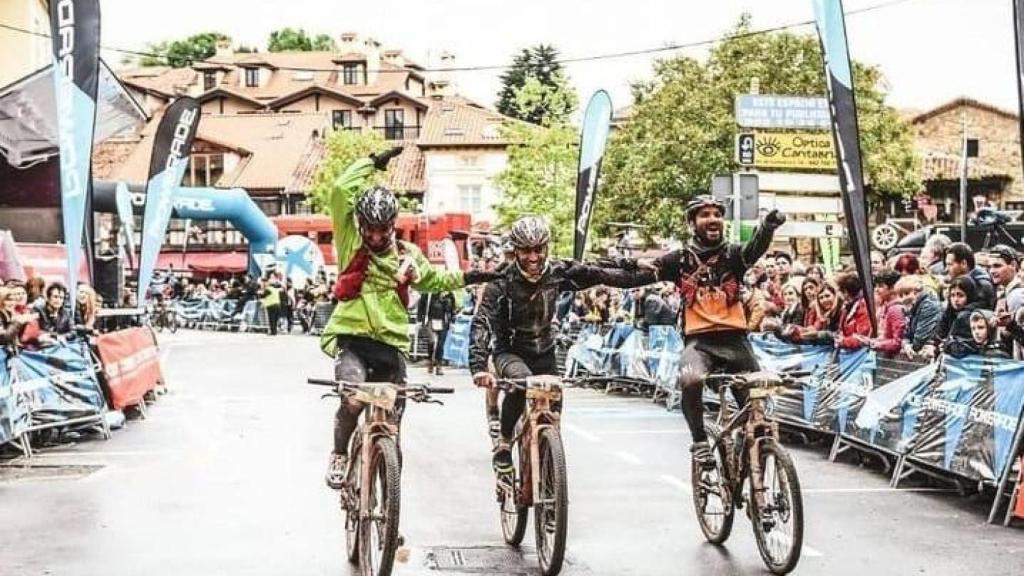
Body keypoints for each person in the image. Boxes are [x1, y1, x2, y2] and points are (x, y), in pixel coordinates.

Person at [320, 148, 497, 489]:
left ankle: (388, 507)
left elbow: (437, 281)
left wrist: (474, 276)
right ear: (360, 225)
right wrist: (371, 162)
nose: (374, 237)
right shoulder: (349, 243)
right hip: (353, 340)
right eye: (368, 230)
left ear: (392, 226)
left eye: (381, 231)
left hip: (391, 346)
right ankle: (340, 453)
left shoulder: (408, 256)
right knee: (354, 398)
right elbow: (341, 191)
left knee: (392, 424)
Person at [469, 216, 656, 474]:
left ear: (546, 248)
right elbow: (481, 322)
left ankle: (548, 459)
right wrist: (478, 366)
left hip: (544, 351)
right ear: (515, 250)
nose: (533, 257)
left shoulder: (558, 272)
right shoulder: (499, 281)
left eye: (539, 249)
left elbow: (599, 271)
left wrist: (634, 264)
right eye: (526, 250)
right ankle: (502, 443)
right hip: (509, 352)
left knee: (552, 407)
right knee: (521, 384)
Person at [635, 195, 786, 467]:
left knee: (757, 414)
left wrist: (768, 226)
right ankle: (700, 442)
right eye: (704, 214)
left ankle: (755, 476)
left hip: (737, 343)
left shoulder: (734, 255)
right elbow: (635, 276)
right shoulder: (678, 260)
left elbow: (756, 247)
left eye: (717, 214)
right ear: (693, 223)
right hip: (700, 344)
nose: (713, 218)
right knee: (691, 380)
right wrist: (626, 266)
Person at [896, 275, 941, 360]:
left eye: (907, 293)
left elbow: (921, 337)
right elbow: (906, 334)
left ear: (917, 291)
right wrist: (906, 344)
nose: (904, 299)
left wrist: (911, 347)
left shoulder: (929, 305)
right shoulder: (911, 306)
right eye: (901, 295)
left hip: (929, 352)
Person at [946, 242, 995, 310]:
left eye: (950, 264)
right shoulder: (959, 281)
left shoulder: (983, 285)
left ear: (964, 263)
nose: (946, 269)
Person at [417, 291, 455, 375]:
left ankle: (439, 366)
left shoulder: (448, 293)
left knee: (440, 344)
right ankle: (430, 360)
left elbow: (452, 308)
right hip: (430, 319)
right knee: (432, 341)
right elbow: (421, 305)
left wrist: (452, 321)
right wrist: (419, 320)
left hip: (443, 320)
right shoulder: (428, 292)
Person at [834, 272, 872, 350]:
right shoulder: (846, 307)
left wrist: (843, 341)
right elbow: (841, 330)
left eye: (841, 291)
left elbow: (862, 337)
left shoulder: (863, 307)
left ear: (846, 292)